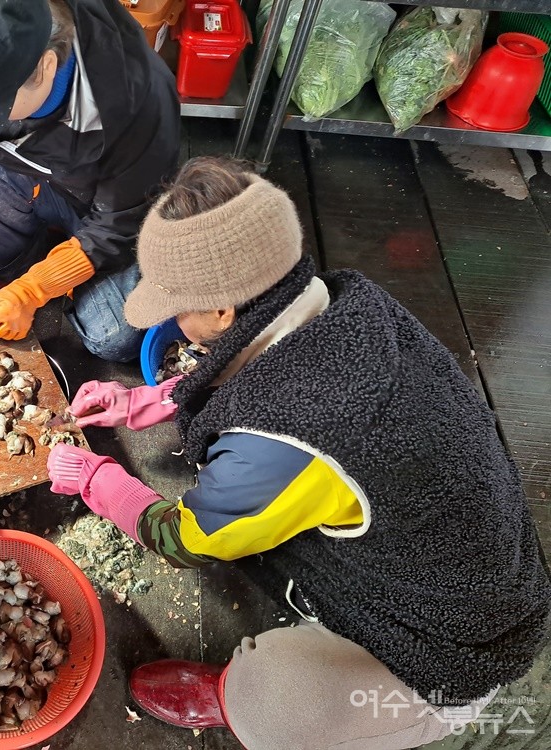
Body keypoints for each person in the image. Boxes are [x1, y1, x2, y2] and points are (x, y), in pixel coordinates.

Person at [46, 157, 551, 749]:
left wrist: (98, 480)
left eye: (177, 308)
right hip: (470, 549)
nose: (173, 325)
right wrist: (147, 402)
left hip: (453, 650)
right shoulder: (346, 303)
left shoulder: (285, 442)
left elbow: (187, 539)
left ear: (221, 311)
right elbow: (259, 368)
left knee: (273, 698)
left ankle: (244, 700)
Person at [0, 0, 180, 362]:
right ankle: (16, 270)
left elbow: (118, 224)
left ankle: (50, 281)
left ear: (47, 66)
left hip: (109, 210)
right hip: (40, 174)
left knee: (114, 335)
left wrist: (33, 292)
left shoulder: (137, 98)